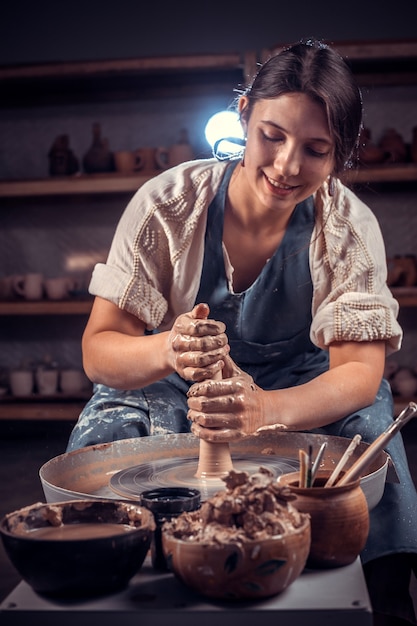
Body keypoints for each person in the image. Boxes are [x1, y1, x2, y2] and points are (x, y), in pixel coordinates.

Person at [66, 38, 417, 624]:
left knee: (371, 425)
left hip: (296, 385)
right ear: (244, 114)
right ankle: (109, 577)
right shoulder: (167, 204)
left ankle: (386, 598)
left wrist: (263, 411)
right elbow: (99, 354)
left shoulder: (348, 225)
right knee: (112, 427)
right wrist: (169, 347)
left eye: (315, 149)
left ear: (340, 154)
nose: (286, 166)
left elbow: (359, 373)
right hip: (177, 380)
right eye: (271, 136)